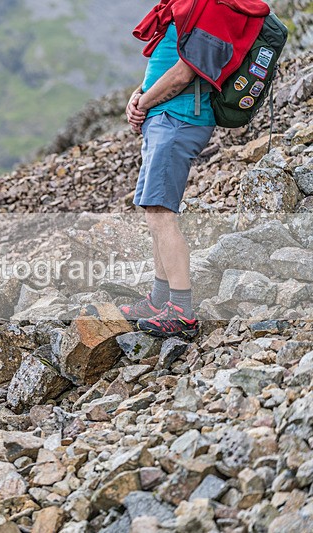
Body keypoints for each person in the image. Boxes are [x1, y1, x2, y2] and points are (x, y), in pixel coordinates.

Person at [120, 0, 267, 339]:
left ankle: (182, 310)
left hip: (180, 117)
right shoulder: (189, 8)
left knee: (160, 211)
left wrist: (143, 103)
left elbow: (185, 73)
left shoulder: (211, 7)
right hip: (165, 117)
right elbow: (169, 61)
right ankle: (159, 300)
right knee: (152, 209)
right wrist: (138, 94)